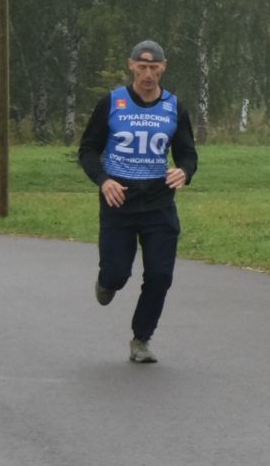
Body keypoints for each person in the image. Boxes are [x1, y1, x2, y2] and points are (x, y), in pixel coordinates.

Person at [77, 40, 197, 364]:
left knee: (160, 275)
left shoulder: (174, 107)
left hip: (158, 202)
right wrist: (104, 181)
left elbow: (187, 152)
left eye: (154, 67)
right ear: (131, 65)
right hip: (119, 202)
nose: (148, 74)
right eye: (142, 66)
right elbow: (88, 149)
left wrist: (184, 171)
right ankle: (107, 281)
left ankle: (141, 339)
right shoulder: (112, 103)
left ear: (163, 68)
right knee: (117, 274)